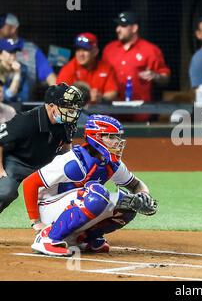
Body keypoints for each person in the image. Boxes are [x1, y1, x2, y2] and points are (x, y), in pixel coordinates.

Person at [22, 115, 157, 256]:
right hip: (49, 210)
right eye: (111, 137)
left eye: (117, 137)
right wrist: (36, 222)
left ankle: (84, 238)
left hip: (77, 204)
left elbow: (136, 185)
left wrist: (144, 195)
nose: (117, 142)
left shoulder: (111, 163)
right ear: (96, 138)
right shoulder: (73, 162)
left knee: (128, 203)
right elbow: (30, 183)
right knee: (98, 193)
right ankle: (47, 238)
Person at [0, 83, 83, 214]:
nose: (71, 109)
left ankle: (61, 229)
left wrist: (69, 170)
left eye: (72, 105)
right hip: (17, 162)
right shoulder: (26, 120)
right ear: (51, 107)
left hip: (44, 164)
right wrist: (0, 169)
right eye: (66, 105)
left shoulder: (67, 123)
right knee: (4, 193)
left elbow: (66, 147)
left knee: (70, 188)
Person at [103, 11, 171, 121]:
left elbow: (165, 78)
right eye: (118, 26)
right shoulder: (109, 49)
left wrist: (156, 76)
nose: (118, 29)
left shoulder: (150, 50)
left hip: (141, 113)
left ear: (134, 28)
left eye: (123, 26)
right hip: (112, 113)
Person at [0, 13, 56, 93]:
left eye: (1, 27)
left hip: (25, 102)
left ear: (13, 28)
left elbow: (49, 75)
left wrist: (57, 96)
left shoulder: (30, 49)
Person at [57, 32, 118, 103]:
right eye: (78, 50)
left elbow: (112, 92)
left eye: (85, 50)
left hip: (100, 111)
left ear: (95, 51)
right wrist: (84, 97)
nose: (81, 54)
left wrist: (100, 97)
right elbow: (59, 94)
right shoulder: (68, 68)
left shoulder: (106, 68)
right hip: (74, 111)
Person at [0, 38, 29, 102]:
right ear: (0, 55)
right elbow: (6, 97)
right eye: (10, 52)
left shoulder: (23, 69)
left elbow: (25, 97)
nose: (13, 55)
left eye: (14, 51)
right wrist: (17, 74)